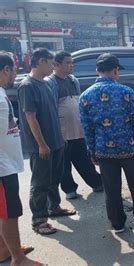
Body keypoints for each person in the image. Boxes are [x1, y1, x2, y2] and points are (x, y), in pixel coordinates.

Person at [79, 53, 134, 233]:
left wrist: (92, 152)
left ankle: (117, 223)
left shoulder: (85, 96)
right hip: (129, 148)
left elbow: (87, 129)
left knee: (111, 188)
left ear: (97, 71)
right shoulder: (126, 92)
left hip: (104, 151)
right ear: (115, 70)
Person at [17, 48, 76, 235]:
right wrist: (42, 144)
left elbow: (52, 113)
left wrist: (60, 138)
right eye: (51, 63)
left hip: (56, 142)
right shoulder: (28, 85)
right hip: (41, 146)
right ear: (40, 62)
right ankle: (39, 220)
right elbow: (30, 117)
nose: (53, 66)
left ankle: (54, 207)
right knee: (40, 183)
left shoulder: (47, 84)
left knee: (54, 179)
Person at [0, 52, 40, 266]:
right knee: (10, 213)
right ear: (6, 69)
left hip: (6, 165)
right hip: (2, 168)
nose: (16, 74)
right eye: (14, 69)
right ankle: (18, 258)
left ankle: (5, 250)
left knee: (4, 212)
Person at [45, 51, 103, 200]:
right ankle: (70, 189)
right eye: (67, 63)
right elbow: (50, 108)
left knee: (84, 159)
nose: (71, 65)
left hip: (77, 127)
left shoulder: (72, 80)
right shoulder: (50, 82)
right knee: (64, 164)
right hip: (61, 131)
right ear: (56, 64)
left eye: (71, 62)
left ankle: (97, 183)